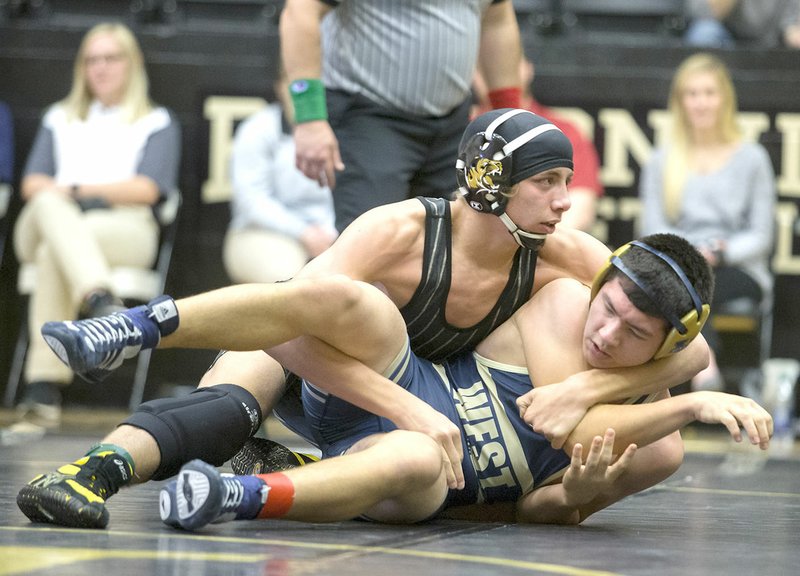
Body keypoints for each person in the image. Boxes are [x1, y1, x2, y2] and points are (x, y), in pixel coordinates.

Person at [17, 109, 708, 529]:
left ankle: (236, 485)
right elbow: (286, 326)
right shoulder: (402, 236)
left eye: (564, 184)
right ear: (492, 184)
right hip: (346, 363)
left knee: (402, 447)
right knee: (281, 357)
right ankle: (130, 339)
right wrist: (405, 404)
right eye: (547, 183)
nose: (566, 201)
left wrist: (604, 391)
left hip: (409, 429)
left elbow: (684, 344)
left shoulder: (564, 262)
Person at [31, 234, 772, 530]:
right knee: (332, 311)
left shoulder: (661, 450)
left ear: (667, 340)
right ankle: (129, 346)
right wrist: (692, 389)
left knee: (417, 456)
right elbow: (558, 418)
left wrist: (578, 495)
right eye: (608, 308)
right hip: (392, 378)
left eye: (634, 336)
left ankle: (237, 494)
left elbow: (537, 509)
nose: (605, 334)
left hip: (421, 468)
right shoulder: (563, 295)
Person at [7, 22, 180, 431]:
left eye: (110, 58)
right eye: (91, 60)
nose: (100, 68)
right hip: (45, 222)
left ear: (131, 64)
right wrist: (75, 197)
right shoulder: (60, 117)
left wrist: (80, 191)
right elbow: (33, 185)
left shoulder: (156, 120)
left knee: (56, 248)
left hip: (121, 229)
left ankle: (44, 386)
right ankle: (102, 301)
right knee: (49, 205)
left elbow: (148, 188)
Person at [280, 0, 524, 231]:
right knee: (372, 249)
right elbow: (301, 10)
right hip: (371, 118)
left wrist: (511, 120)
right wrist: (309, 118)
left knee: (449, 245)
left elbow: (497, 20)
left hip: (453, 123)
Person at [639, 53, 776, 392]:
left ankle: (700, 367)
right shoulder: (661, 160)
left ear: (724, 99)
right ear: (680, 102)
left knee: (700, 284)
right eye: (692, 94)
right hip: (681, 264)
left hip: (737, 268)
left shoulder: (752, 159)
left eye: (709, 93)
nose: (700, 103)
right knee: (688, 280)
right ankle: (706, 368)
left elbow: (761, 235)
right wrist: (692, 254)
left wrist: (721, 251)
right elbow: (651, 229)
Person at [223, 72, 337, 284]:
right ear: (279, 87)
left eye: (313, 86)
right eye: (296, 85)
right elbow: (251, 201)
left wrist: (331, 234)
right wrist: (304, 232)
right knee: (285, 279)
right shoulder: (258, 128)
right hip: (264, 233)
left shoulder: (349, 128)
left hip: (335, 234)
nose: (303, 96)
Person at [473, 56, 603, 233]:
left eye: (508, 64)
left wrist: (533, 245)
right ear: (472, 75)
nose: (497, 73)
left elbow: (580, 206)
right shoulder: (456, 132)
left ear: (528, 68)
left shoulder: (562, 131)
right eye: (485, 67)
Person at [684, 0, 800, 49]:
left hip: (770, 44)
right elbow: (696, 13)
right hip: (726, 40)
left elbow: (791, 24)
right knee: (704, 32)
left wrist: (792, 32)